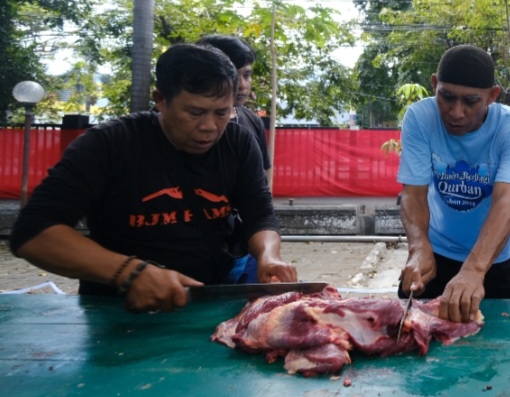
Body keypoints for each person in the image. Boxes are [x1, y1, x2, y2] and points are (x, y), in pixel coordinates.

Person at [10, 44, 297, 313]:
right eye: (194, 112)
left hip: (207, 302)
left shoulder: (237, 141)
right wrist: (130, 272)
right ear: (161, 100)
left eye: (222, 112)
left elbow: (259, 214)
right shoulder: (110, 144)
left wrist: (268, 256)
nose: (210, 127)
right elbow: (34, 232)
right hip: (117, 311)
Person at [397, 44, 510, 324]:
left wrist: (474, 270)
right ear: (434, 85)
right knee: (415, 343)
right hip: (435, 257)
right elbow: (413, 194)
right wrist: (419, 247)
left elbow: (506, 202)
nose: (456, 112)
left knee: (497, 354)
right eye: (446, 97)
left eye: (470, 101)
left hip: (493, 262)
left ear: (492, 96)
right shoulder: (419, 118)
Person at [197, 35, 270, 283]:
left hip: (242, 243)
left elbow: (262, 191)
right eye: (232, 74)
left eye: (247, 75)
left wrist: (267, 248)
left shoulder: (251, 122)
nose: (241, 84)